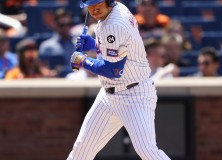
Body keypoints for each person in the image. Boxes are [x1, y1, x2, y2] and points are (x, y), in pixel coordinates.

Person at [68, 0, 171, 160]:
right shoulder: (116, 9)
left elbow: (113, 70)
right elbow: (118, 48)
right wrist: (95, 45)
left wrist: (83, 61)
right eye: (90, 6)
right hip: (108, 96)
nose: (94, 10)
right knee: (81, 150)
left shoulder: (115, 24)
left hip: (134, 95)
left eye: (97, 5)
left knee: (147, 151)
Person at [39, 8, 75, 76]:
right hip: (56, 83)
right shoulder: (46, 46)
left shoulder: (77, 44)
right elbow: (42, 68)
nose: (66, 28)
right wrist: (49, 73)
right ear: (55, 24)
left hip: (78, 81)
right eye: (62, 25)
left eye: (69, 24)